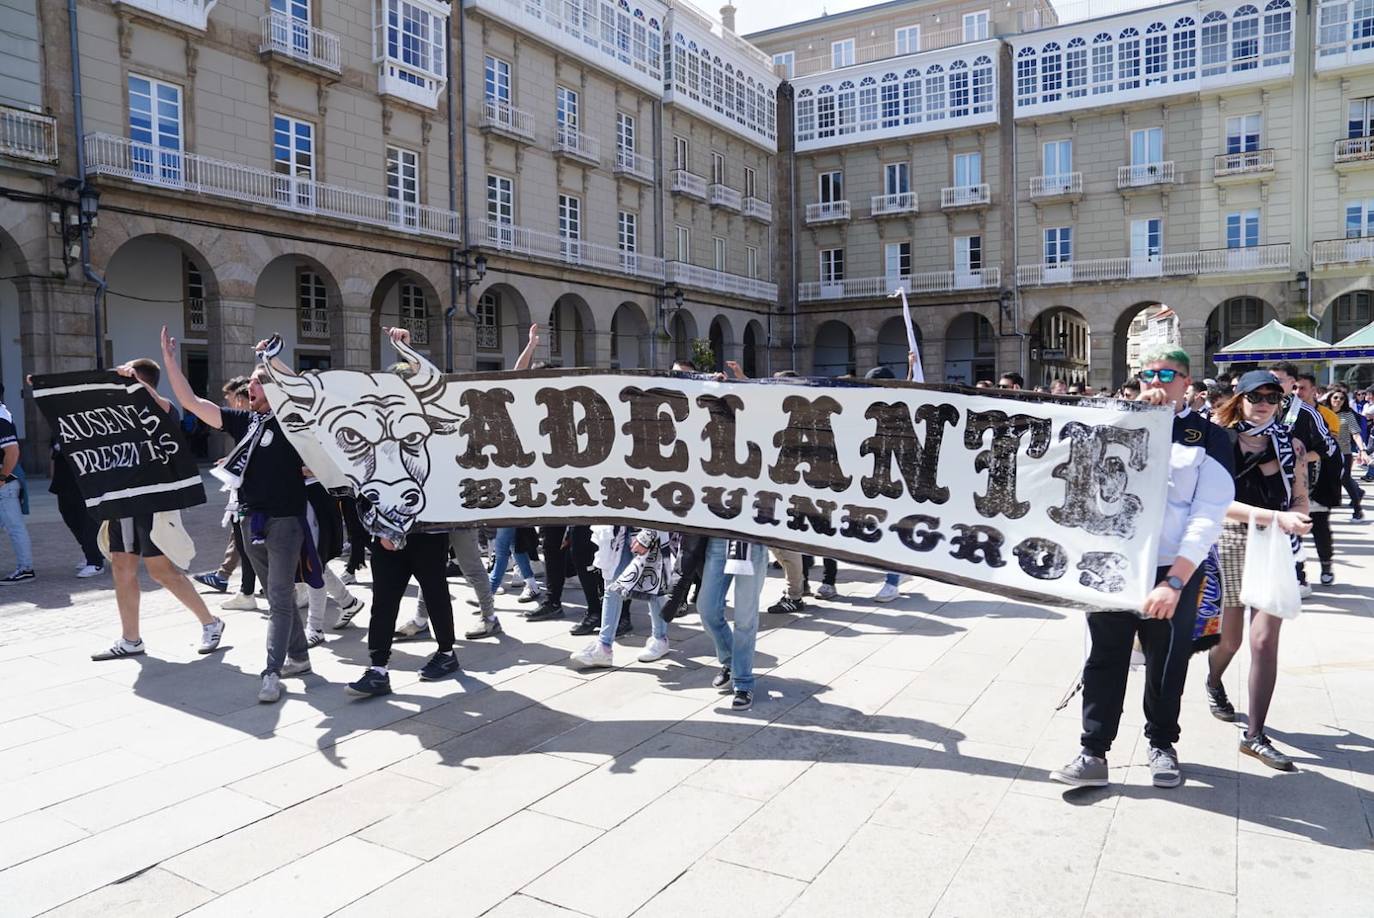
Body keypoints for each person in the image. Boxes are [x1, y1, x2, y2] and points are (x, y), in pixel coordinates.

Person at [1051, 350, 1233, 789]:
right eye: (1148, 373)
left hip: (1172, 569)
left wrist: (1176, 581)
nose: (1156, 381)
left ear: (1187, 382)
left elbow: (1208, 514)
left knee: (1166, 662)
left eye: (1167, 374)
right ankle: (1093, 750)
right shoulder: (1113, 424)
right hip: (1113, 564)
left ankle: (1161, 743)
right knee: (1104, 657)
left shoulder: (1208, 437)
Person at [161, 330, 310, 702]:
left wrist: (274, 360)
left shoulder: (293, 421)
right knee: (279, 594)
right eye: (253, 384)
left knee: (277, 595)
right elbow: (192, 402)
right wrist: (170, 363)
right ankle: (301, 656)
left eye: (260, 383)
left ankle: (272, 671)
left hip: (286, 520)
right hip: (249, 519)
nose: (252, 389)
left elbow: (302, 393)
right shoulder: (245, 422)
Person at [1204, 370, 1313, 771]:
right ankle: (1214, 681)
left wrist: (1299, 519)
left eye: (1272, 395)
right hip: (1229, 539)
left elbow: (1300, 499)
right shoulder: (1218, 439)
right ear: (1241, 398)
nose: (1264, 401)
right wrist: (1274, 516)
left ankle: (1255, 735)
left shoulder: (1292, 445)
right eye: (1256, 395)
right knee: (1230, 641)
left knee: (1264, 642)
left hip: (1275, 545)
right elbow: (1214, 503)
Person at [345, 328, 461, 697]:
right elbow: (360, 485)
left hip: (428, 529)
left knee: (434, 589)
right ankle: (377, 667)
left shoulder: (431, 429)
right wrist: (381, 530)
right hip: (385, 532)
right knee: (384, 597)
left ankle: (446, 652)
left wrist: (409, 352)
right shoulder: (373, 430)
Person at [90, 358, 225, 660]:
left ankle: (211, 622)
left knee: (160, 571)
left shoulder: (162, 410)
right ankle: (131, 639)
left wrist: (137, 385)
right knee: (122, 567)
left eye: (127, 376)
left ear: (143, 381)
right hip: (121, 498)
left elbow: (165, 406)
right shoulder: (120, 414)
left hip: (154, 500)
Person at [570, 525, 675, 668]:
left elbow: (661, 505)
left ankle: (659, 638)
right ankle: (604, 646)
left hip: (647, 526)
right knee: (613, 585)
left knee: (652, 585)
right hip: (622, 528)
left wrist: (648, 536)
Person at [696, 535, 769, 711]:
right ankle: (731, 662)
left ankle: (743, 682)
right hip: (719, 537)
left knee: (745, 619)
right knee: (707, 609)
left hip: (752, 542)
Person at [49, 436, 104, 578]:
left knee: (86, 519)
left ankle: (95, 561)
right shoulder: (56, 425)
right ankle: (91, 552)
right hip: (63, 480)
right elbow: (53, 455)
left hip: (84, 481)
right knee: (69, 516)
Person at [0, 384, 34, 583]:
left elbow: (12, 451)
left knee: (14, 527)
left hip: (5, 484)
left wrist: (3, 478)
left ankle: (26, 568)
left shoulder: (1, 417)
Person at [1326, 388, 1368, 519]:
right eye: (1335, 397)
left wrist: (1362, 450)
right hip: (1326, 453)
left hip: (1344, 452)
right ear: (1330, 399)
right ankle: (1359, 491)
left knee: (1344, 479)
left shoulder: (1347, 415)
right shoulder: (1323, 413)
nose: (1338, 400)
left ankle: (1357, 510)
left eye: (1341, 398)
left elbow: (1356, 434)